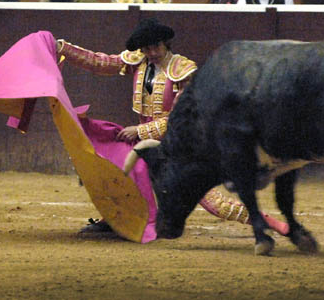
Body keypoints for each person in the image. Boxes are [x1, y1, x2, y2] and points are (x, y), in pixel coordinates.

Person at [56, 18, 287, 235]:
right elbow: (100, 62)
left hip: (179, 145)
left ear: (166, 43)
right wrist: (64, 48)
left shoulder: (182, 69)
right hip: (144, 141)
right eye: (146, 49)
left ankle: (269, 222)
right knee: (113, 168)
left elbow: (180, 118)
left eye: (155, 47)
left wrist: (140, 131)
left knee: (211, 201)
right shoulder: (139, 61)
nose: (151, 53)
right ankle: (114, 219)